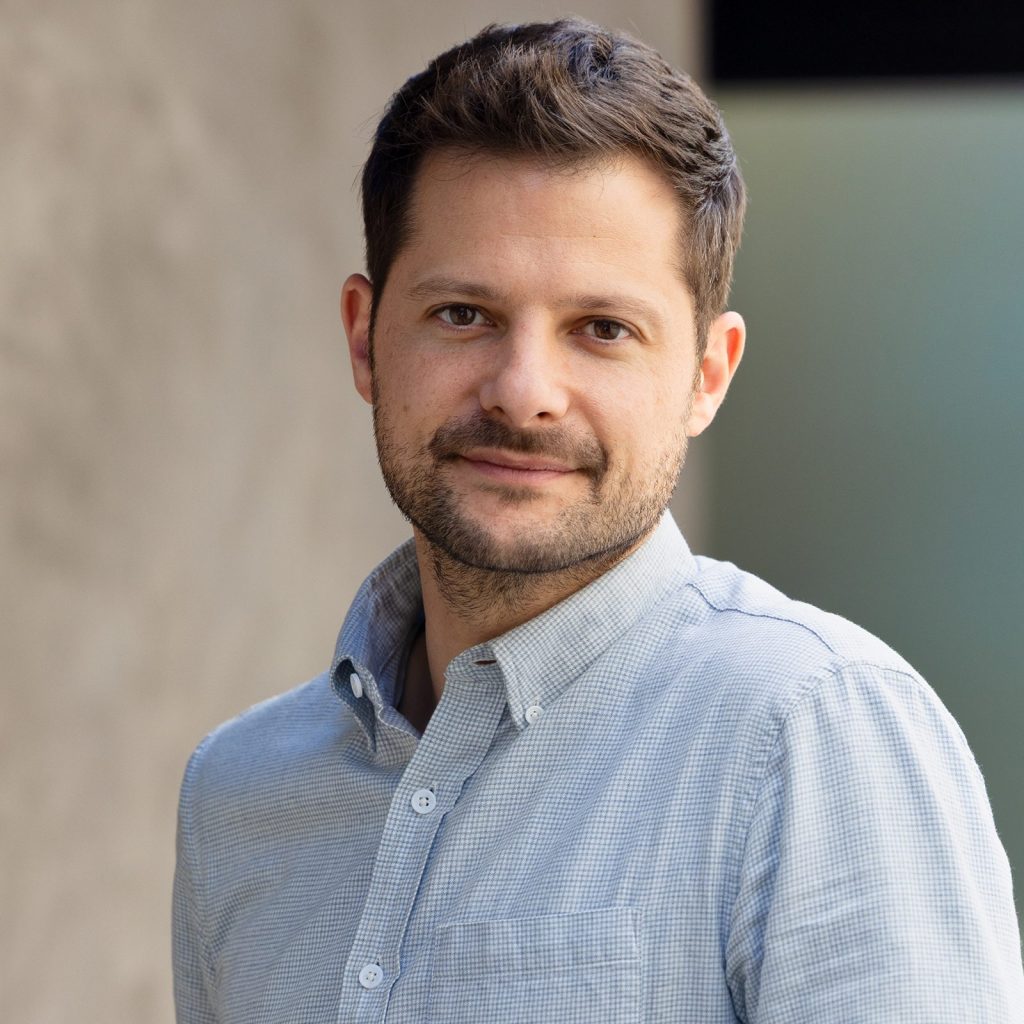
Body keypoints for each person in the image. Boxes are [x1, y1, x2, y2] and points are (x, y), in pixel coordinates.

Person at [172, 19, 1023, 1023]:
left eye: (602, 329)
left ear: (707, 375)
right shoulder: (238, 795)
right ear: (364, 337)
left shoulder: (812, 733)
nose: (525, 391)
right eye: (463, 315)